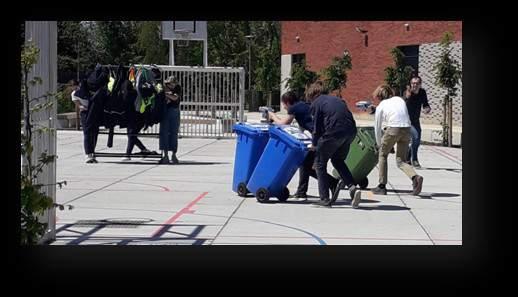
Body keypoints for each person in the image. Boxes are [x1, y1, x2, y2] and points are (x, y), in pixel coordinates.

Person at [268, 91, 339, 200]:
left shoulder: (294, 108)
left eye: (284, 104)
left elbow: (284, 123)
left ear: (287, 102)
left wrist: (272, 116)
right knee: (306, 165)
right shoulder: (304, 105)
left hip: (317, 139)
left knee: (308, 166)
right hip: (322, 136)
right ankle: (302, 192)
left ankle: (332, 183)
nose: (284, 107)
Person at [306, 82, 361, 208]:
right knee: (337, 160)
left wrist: (314, 144)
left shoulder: (317, 103)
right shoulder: (338, 100)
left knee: (319, 163)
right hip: (351, 132)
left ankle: (324, 199)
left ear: (313, 94)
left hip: (334, 132)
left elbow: (316, 128)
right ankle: (352, 186)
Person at [371, 84, 424, 196]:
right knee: (401, 161)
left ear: (380, 97)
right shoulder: (399, 100)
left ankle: (381, 186)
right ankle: (415, 177)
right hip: (406, 129)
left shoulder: (381, 105)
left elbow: (377, 127)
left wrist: (379, 144)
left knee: (382, 155)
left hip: (393, 129)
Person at [404, 76, 431, 169]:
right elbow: (405, 99)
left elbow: (425, 104)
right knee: (415, 136)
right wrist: (408, 95)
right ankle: (414, 160)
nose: (414, 85)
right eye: (413, 83)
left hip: (415, 120)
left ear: (420, 84)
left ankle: (407, 157)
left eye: (416, 83)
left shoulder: (422, 92)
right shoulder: (408, 92)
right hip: (406, 121)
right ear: (410, 84)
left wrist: (427, 109)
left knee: (417, 140)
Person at [71, 79, 97, 163]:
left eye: (76, 87)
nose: (75, 89)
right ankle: (88, 154)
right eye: (73, 87)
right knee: (87, 133)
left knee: (94, 133)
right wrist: (83, 107)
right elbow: (79, 105)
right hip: (85, 113)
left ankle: (92, 152)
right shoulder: (74, 94)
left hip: (93, 111)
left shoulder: (87, 90)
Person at [159, 76, 182, 164]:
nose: (172, 86)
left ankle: (174, 154)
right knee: (164, 133)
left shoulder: (177, 88)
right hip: (165, 111)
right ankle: (165, 155)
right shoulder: (163, 87)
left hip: (174, 111)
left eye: (174, 84)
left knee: (173, 133)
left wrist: (165, 94)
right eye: (170, 84)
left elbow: (175, 98)